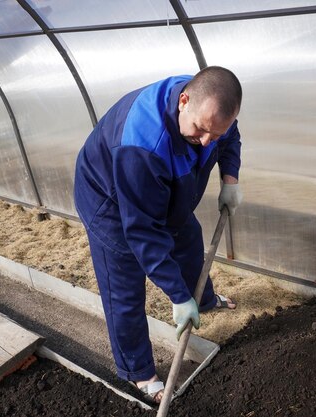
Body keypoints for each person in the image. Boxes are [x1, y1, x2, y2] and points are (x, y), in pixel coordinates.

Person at [73, 66, 243, 403]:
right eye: (201, 131)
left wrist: (230, 180)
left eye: (215, 133)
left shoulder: (210, 111)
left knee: (189, 241)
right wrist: (177, 297)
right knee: (124, 288)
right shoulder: (143, 143)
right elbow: (144, 233)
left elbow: (229, 137)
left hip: (161, 191)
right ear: (183, 102)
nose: (208, 140)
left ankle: (204, 300)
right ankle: (139, 372)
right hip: (111, 201)